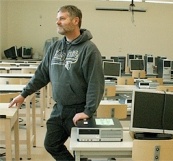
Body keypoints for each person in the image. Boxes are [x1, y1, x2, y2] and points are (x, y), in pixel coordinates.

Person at [8, 5, 104, 161]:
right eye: (57, 19)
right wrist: (23, 94)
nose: (57, 22)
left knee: (82, 151)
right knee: (51, 144)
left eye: (62, 18)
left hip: (79, 111)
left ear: (75, 20)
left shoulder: (89, 50)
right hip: (59, 108)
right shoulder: (55, 47)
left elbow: (96, 83)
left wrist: (88, 111)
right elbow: (41, 75)